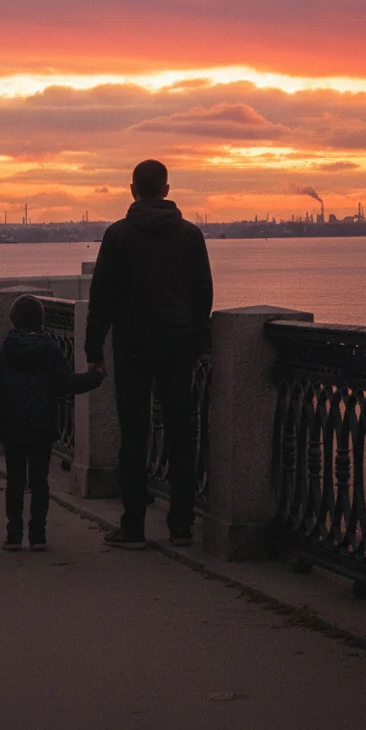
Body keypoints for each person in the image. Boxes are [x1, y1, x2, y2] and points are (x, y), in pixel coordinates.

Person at [84, 159, 213, 549]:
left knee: (134, 433)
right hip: (177, 344)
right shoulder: (191, 236)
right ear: (167, 190)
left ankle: (134, 525)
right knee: (180, 432)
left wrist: (94, 350)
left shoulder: (118, 236)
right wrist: (194, 339)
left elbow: (101, 298)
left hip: (132, 345)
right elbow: (202, 296)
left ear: (132, 190)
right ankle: (181, 524)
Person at [0, 294, 103, 551]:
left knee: (15, 480)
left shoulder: (3, 352)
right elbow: (68, 384)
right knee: (39, 480)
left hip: (13, 425)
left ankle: (13, 534)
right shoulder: (50, 349)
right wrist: (96, 377)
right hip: (42, 424)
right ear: (41, 320)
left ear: (12, 321)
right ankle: (38, 534)